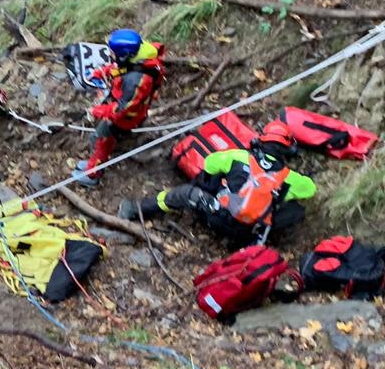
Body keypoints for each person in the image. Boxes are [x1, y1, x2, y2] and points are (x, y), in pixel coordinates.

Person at [117, 122, 316, 245]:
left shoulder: (239, 156)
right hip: (247, 232)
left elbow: (210, 163)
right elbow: (311, 189)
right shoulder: (289, 177)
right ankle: (261, 239)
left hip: (218, 215)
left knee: (185, 193)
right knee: (295, 209)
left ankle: (137, 209)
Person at [73, 29, 166, 188]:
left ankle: (93, 175)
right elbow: (121, 68)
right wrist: (100, 72)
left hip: (128, 117)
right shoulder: (138, 57)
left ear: (125, 55)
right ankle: (93, 163)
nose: (111, 55)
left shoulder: (137, 80)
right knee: (102, 138)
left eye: (113, 53)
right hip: (128, 106)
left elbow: (122, 108)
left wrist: (97, 111)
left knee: (99, 139)